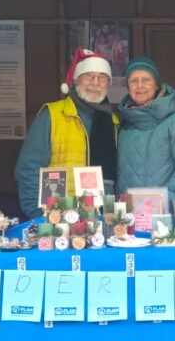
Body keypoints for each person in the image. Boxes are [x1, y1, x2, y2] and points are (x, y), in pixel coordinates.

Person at [14, 48, 119, 218]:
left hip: (100, 217)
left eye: (102, 77)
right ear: (76, 80)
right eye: (88, 76)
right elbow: (28, 168)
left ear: (108, 84)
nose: (95, 83)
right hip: (56, 217)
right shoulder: (52, 115)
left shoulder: (113, 122)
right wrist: (37, 213)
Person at [116, 56, 175, 208]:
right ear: (127, 87)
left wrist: (164, 203)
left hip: (163, 214)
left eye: (146, 80)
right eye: (133, 81)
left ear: (156, 84)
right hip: (129, 214)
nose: (140, 86)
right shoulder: (123, 122)